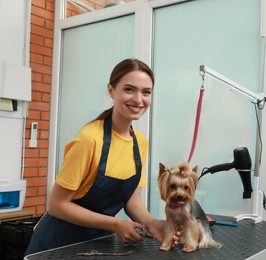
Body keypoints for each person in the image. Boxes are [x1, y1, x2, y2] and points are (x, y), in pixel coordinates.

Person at [25, 58, 181, 255]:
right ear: (111, 91)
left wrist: (153, 224)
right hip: (57, 244)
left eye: (146, 92)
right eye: (129, 89)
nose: (138, 99)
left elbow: (132, 201)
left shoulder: (139, 142)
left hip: (99, 243)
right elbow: (57, 205)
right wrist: (116, 224)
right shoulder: (89, 140)